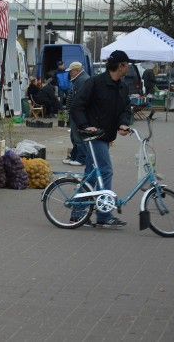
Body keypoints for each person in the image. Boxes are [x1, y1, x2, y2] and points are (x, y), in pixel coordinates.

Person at [70, 50, 132, 227]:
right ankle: (104, 216)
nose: (128, 68)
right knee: (105, 170)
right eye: (127, 65)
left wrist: (123, 124)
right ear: (120, 66)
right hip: (93, 136)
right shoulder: (95, 83)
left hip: (106, 136)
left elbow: (124, 110)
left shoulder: (122, 87)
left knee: (91, 174)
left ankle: (77, 213)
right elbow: (77, 106)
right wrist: (85, 126)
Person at [62, 61, 90, 166]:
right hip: (75, 112)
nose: (70, 73)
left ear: (77, 70)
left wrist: (75, 111)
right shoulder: (79, 79)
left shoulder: (82, 80)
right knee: (74, 136)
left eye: (71, 71)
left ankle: (81, 158)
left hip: (78, 113)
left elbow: (80, 99)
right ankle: (75, 156)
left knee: (78, 136)